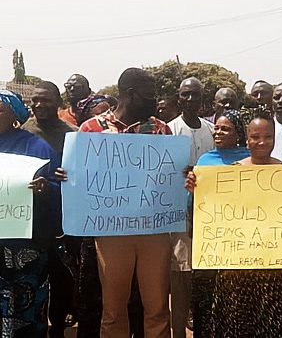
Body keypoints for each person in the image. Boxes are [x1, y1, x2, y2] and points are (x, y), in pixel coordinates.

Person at [56, 68, 172, 337]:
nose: (154, 102)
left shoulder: (160, 129)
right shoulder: (91, 129)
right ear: (130, 95)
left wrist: (184, 175)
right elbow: (79, 178)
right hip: (111, 231)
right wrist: (68, 175)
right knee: (113, 309)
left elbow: (171, 177)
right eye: (148, 96)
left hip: (153, 229)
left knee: (156, 309)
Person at [186, 114, 282, 337]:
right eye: (255, 136)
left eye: (268, 136)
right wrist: (197, 189)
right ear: (246, 139)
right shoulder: (229, 174)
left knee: (275, 325)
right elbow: (213, 213)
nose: (262, 142)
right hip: (236, 270)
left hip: (276, 270)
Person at [184, 109, 250, 338]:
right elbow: (194, 203)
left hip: (241, 244)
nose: (219, 133)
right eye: (217, 128)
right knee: (207, 300)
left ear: (239, 134)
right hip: (211, 243)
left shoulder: (251, 160)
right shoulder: (205, 160)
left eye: (226, 129)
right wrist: (191, 185)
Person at [0, 89, 60, 337]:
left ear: (14, 114)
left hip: (26, 243)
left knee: (29, 308)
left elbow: (58, 186)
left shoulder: (36, 146)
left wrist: (46, 188)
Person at [21, 81, 79, 337]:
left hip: (64, 218)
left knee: (62, 277)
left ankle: (58, 325)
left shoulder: (74, 135)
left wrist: (67, 177)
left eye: (45, 100)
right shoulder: (21, 133)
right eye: (34, 100)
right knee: (32, 277)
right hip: (28, 219)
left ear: (58, 102)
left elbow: (84, 177)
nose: (38, 104)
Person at [168, 77, 215, 338]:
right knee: (180, 279)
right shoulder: (170, 130)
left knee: (203, 279)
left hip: (209, 217)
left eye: (195, 95)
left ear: (201, 99)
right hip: (179, 218)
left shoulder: (211, 130)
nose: (190, 100)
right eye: (185, 95)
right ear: (178, 97)